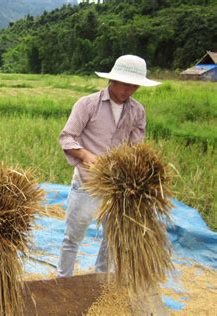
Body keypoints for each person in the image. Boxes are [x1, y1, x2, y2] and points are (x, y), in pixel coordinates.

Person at [57, 55, 161, 277]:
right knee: (72, 237)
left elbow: (136, 147)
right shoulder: (88, 104)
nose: (129, 90)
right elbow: (67, 138)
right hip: (87, 183)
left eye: (134, 85)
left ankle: (101, 280)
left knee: (113, 237)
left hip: (117, 188)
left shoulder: (137, 111)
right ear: (112, 80)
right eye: (125, 84)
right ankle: (63, 280)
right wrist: (86, 155)